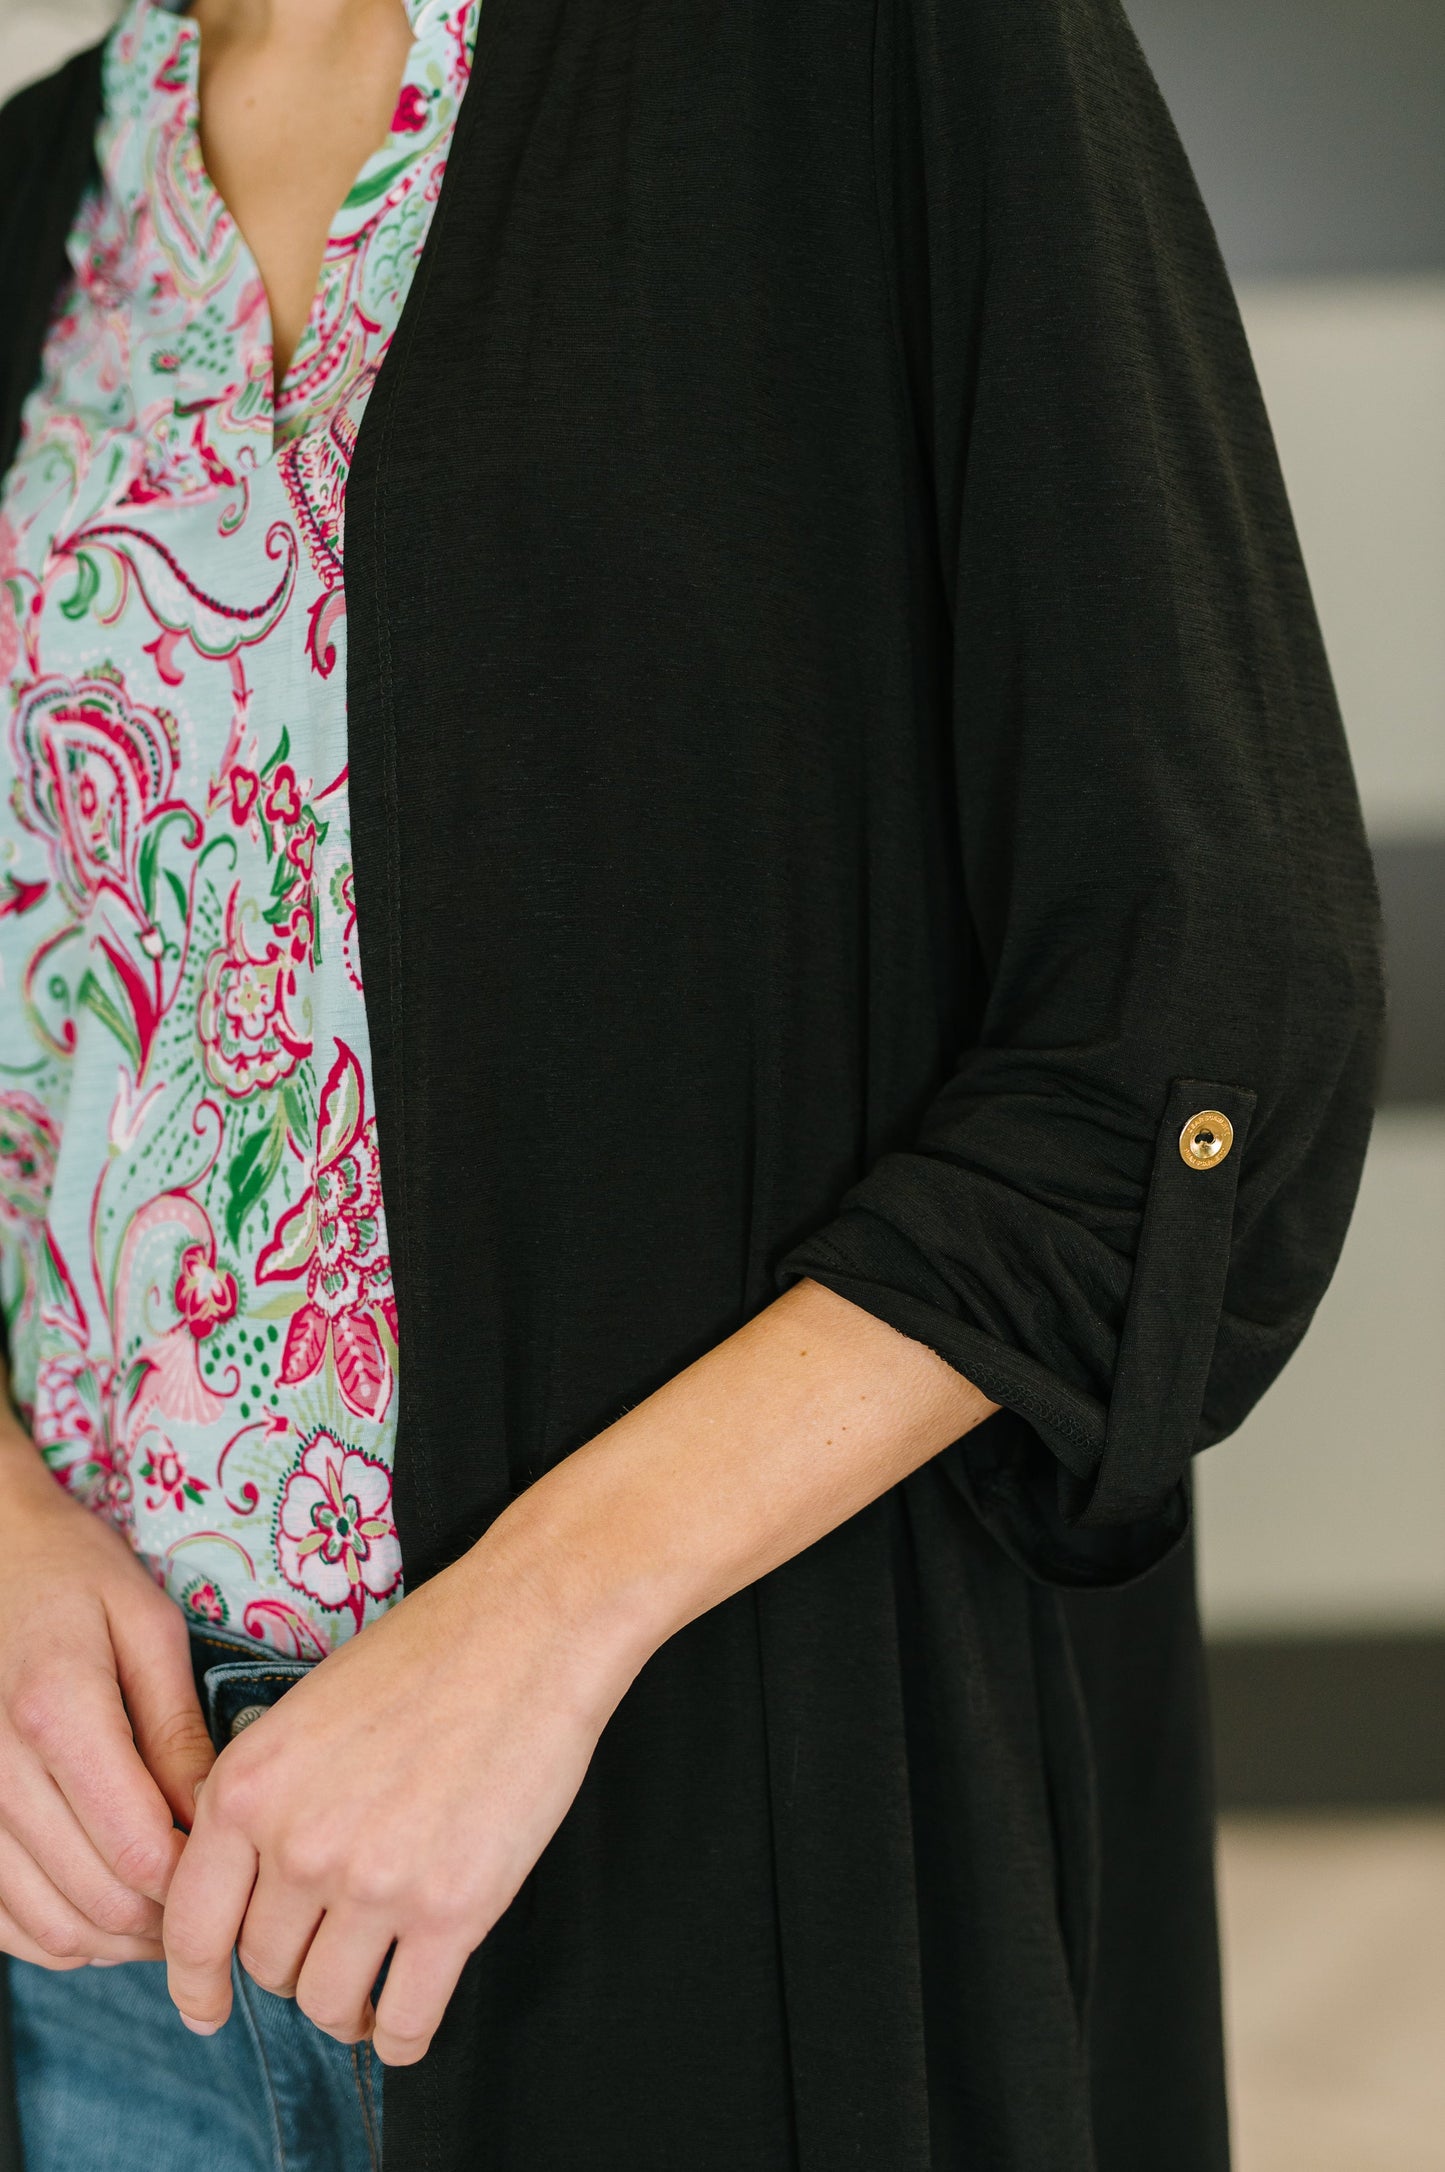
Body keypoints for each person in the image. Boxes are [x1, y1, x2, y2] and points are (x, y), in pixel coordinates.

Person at [0, 0, 1384, 2166]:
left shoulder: (892, 56)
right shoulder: (34, 197)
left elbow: (1205, 1000)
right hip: (79, 1923)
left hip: (702, 1836)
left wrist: (540, 1629)